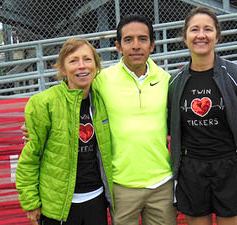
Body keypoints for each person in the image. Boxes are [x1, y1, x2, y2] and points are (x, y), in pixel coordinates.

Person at [168, 7, 237, 225]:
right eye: (194, 29)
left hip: (229, 168)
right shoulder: (175, 82)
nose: (201, 35)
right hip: (191, 170)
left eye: (208, 29)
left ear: (217, 36)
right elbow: (169, 127)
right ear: (185, 37)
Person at [16, 37, 113, 225]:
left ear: (96, 65)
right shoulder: (45, 104)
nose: (81, 66)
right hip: (59, 206)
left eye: (87, 59)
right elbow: (30, 158)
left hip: (96, 200)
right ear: (62, 69)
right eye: (73, 60)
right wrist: (30, 203)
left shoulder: (104, 100)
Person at [94, 15, 177, 225]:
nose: (136, 46)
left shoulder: (166, 80)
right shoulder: (102, 80)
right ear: (118, 47)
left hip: (162, 184)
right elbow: (73, 101)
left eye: (142, 39)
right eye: (128, 40)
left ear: (152, 45)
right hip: (121, 186)